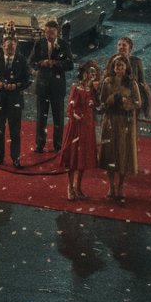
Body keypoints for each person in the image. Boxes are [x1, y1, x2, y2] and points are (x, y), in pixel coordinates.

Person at [97, 56, 141, 202]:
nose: (119, 69)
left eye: (122, 66)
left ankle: (121, 185)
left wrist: (126, 102)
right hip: (110, 120)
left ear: (126, 67)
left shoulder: (131, 83)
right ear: (113, 67)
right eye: (117, 66)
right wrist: (109, 101)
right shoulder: (107, 82)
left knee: (123, 154)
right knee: (110, 153)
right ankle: (110, 185)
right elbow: (101, 102)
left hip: (125, 122)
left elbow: (138, 102)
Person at [0, 36, 30, 167]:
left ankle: (15, 158)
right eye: (7, 46)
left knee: (15, 131)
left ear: (16, 46)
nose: (9, 48)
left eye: (12, 46)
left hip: (15, 99)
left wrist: (17, 85)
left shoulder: (21, 60)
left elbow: (27, 79)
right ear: (2, 46)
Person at [29, 20, 73, 153]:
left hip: (57, 87)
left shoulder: (64, 45)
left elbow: (70, 64)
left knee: (58, 117)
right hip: (42, 86)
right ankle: (39, 144)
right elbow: (31, 61)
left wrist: (55, 63)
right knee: (41, 117)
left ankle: (58, 145)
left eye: (52, 32)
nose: (49, 34)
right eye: (47, 32)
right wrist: (41, 63)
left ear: (57, 32)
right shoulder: (39, 43)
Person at [60, 62, 100, 199]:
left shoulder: (92, 89)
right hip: (77, 127)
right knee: (73, 158)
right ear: (83, 73)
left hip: (88, 126)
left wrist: (94, 102)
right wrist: (76, 117)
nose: (90, 75)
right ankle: (70, 187)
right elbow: (70, 109)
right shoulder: (76, 88)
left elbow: (96, 105)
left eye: (92, 73)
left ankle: (78, 187)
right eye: (88, 72)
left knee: (83, 158)